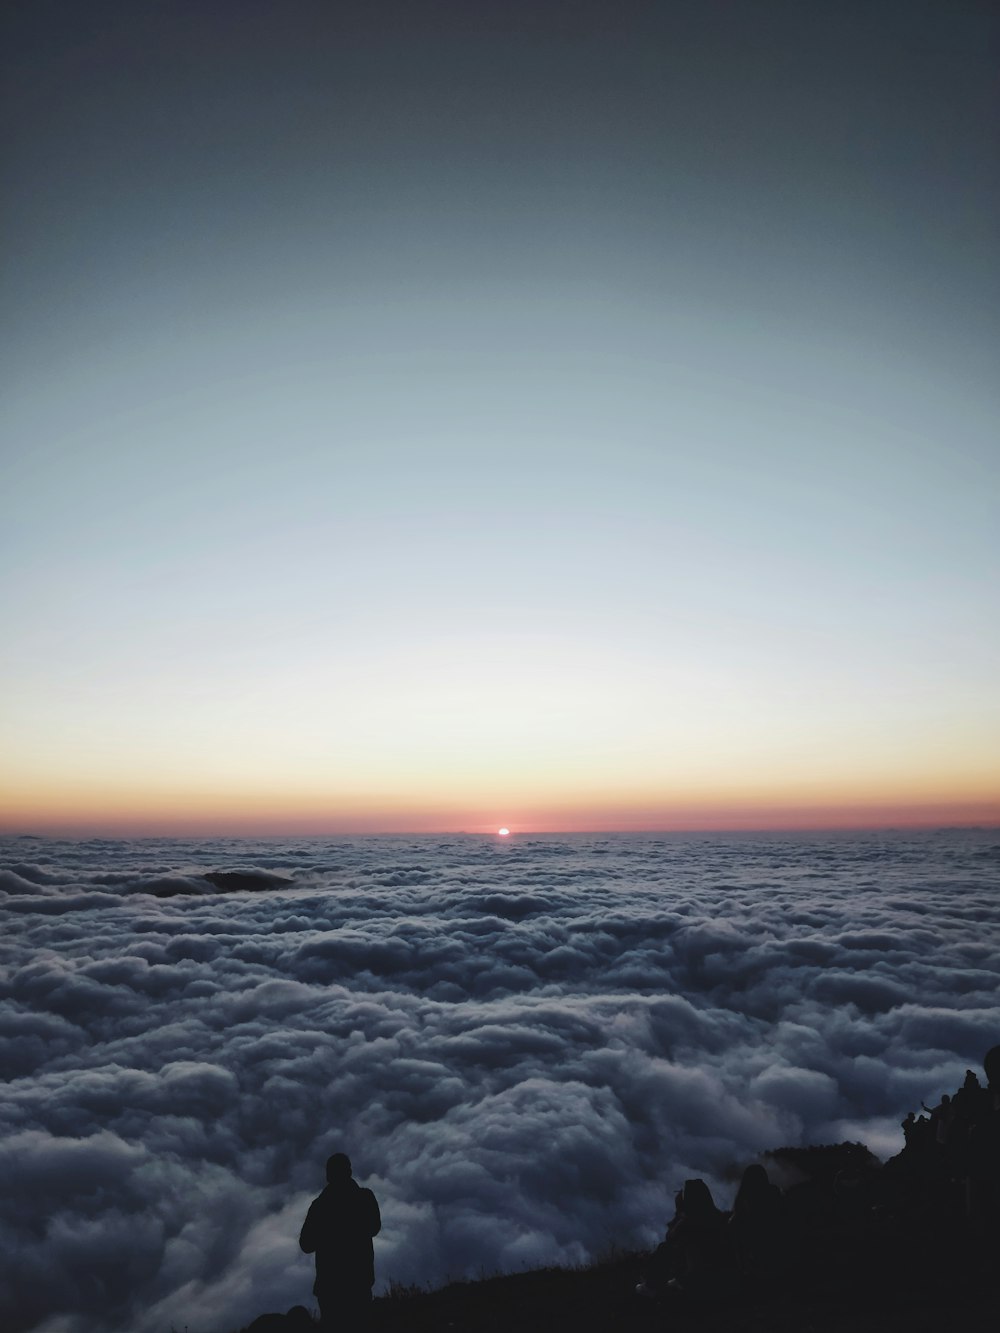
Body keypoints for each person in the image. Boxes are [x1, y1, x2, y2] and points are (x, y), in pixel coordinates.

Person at [299, 1153, 381, 1331]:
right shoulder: (365, 1198)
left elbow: (306, 1244)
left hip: (330, 1287)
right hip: (359, 1280)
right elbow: (374, 1227)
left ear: (329, 1175)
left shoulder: (319, 1206)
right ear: (349, 1171)